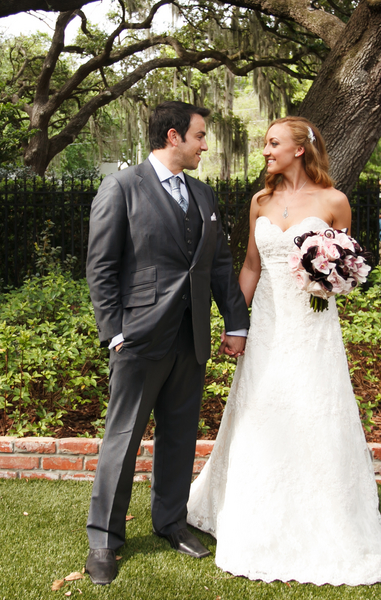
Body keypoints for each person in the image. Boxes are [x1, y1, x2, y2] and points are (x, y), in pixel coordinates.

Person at [186, 116, 381, 585]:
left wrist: (332, 280)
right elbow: (250, 265)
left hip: (311, 327)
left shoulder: (333, 202)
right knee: (260, 411)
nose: (266, 150)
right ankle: (252, 511)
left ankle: (328, 519)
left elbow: (349, 265)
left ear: (300, 149)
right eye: (266, 144)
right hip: (264, 324)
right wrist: (236, 323)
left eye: (273, 143)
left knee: (313, 412)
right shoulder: (259, 201)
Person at [85, 101, 250, 585]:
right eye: (200, 136)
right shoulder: (121, 187)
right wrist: (113, 332)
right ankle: (104, 540)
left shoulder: (204, 195)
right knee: (123, 439)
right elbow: (101, 266)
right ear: (174, 137)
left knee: (179, 438)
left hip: (190, 337)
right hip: (137, 338)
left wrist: (235, 324)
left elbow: (219, 266)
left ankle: (170, 521)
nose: (205, 145)